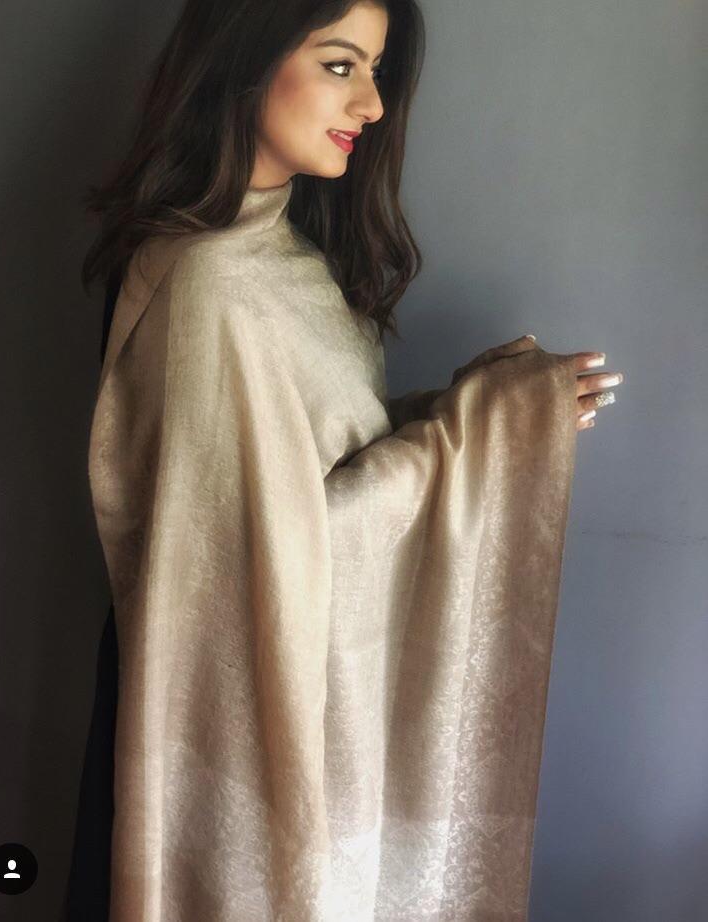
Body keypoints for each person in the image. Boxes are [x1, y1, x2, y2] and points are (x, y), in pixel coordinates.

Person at [62, 1, 624, 920]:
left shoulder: (284, 254)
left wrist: (471, 414)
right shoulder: (207, 284)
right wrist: (480, 433)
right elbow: (267, 561)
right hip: (212, 737)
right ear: (245, 60)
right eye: (339, 65)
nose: (371, 104)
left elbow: (319, 453)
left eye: (375, 70)